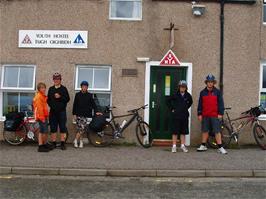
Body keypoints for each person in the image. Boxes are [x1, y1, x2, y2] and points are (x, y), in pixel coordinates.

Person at [197, 74, 227, 154]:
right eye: (208, 82)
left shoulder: (217, 92)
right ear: (206, 83)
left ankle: (220, 147)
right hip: (205, 115)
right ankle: (203, 145)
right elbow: (200, 104)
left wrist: (220, 113)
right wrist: (199, 114)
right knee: (205, 130)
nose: (210, 83)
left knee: (217, 131)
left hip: (215, 115)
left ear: (213, 83)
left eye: (211, 82)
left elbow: (221, 103)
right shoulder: (202, 92)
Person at [72, 81, 102, 148]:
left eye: (86, 86)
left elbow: (93, 104)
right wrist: (74, 114)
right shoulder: (77, 95)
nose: (84, 87)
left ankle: (76, 140)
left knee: (81, 128)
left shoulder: (89, 95)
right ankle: (80, 142)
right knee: (81, 129)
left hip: (85, 114)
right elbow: (75, 105)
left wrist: (96, 111)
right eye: (83, 86)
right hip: (78, 114)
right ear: (81, 87)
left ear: (87, 87)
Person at [167, 80, 193, 153]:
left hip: (184, 115)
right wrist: (172, 109)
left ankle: (182, 146)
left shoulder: (188, 95)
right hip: (176, 116)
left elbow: (190, 102)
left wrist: (185, 107)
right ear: (179, 87)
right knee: (175, 132)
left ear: (186, 88)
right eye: (181, 87)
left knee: (183, 132)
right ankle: (174, 146)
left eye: (184, 87)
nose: (182, 88)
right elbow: (168, 101)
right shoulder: (175, 94)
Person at [47, 73, 70, 150]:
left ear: (60, 80)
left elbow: (67, 99)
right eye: (55, 79)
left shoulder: (64, 89)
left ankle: (62, 143)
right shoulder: (51, 89)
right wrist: (52, 106)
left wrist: (60, 97)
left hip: (62, 112)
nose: (56, 80)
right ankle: (53, 143)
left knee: (62, 127)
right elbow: (48, 100)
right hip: (53, 112)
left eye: (58, 79)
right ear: (53, 80)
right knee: (53, 128)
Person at [33, 82, 51, 152]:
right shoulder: (39, 97)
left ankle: (44, 144)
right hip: (41, 117)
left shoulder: (42, 96)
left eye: (44, 88)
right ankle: (41, 146)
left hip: (44, 116)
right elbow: (39, 109)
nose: (44, 89)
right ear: (39, 89)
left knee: (44, 131)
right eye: (42, 88)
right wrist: (42, 118)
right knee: (42, 132)